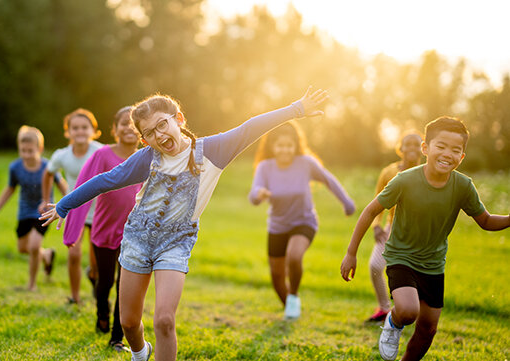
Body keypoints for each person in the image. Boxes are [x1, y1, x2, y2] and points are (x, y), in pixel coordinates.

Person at [41, 87, 328, 361]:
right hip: (138, 238)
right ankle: (140, 352)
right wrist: (65, 206)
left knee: (164, 320)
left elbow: (250, 127)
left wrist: (297, 109)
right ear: (144, 140)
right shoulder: (146, 159)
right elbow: (106, 180)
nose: (159, 135)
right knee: (129, 323)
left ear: (179, 119)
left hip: (176, 242)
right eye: (149, 133)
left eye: (162, 125)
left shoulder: (213, 151)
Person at [340, 117, 510, 361]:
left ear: (462, 157)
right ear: (425, 148)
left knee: (428, 328)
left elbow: (485, 220)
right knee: (408, 311)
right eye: (441, 146)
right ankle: (393, 320)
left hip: (433, 264)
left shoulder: (463, 186)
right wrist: (351, 252)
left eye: (455, 150)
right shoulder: (405, 180)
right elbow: (370, 211)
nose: (447, 154)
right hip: (401, 256)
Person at [249, 121, 355, 320]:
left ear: (296, 145)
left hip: (304, 222)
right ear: (272, 147)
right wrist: (259, 193)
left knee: (294, 256)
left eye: (289, 145)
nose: (284, 150)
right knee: (277, 276)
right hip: (277, 225)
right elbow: (253, 195)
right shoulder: (265, 167)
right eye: (280, 145)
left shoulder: (306, 163)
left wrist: (346, 202)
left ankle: (294, 296)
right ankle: (290, 305)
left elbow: (328, 180)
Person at [62, 106, 140, 353]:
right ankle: (101, 311)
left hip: (134, 234)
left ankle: (117, 338)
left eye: (133, 123)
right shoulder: (104, 155)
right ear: (114, 129)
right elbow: (83, 187)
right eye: (123, 123)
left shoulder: (147, 157)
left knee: (124, 287)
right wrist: (72, 229)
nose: (128, 127)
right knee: (105, 281)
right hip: (104, 231)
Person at [0, 125, 64, 291]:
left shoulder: (48, 166)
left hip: (44, 211)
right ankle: (46, 255)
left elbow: (62, 184)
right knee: (23, 248)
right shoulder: (15, 168)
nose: (26, 155)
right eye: (23, 151)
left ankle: (32, 285)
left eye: (30, 151)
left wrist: (72, 202)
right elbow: (10, 189)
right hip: (24, 212)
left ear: (40, 148)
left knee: (34, 246)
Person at [39, 108, 103, 304]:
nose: (80, 131)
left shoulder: (100, 151)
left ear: (93, 130)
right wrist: (45, 198)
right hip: (75, 208)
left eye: (85, 127)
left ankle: (93, 275)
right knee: (74, 254)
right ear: (68, 132)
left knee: (97, 262)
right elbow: (48, 173)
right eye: (75, 128)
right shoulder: (62, 155)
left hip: (98, 210)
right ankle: (75, 298)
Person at [366, 131, 422, 323]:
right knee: (375, 266)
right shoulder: (389, 172)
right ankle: (384, 309)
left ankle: (409, 312)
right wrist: (376, 226)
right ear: (401, 149)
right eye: (409, 144)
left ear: (424, 149)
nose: (413, 148)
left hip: (419, 232)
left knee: (413, 273)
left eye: (417, 144)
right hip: (393, 227)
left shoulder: (427, 172)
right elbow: (377, 202)